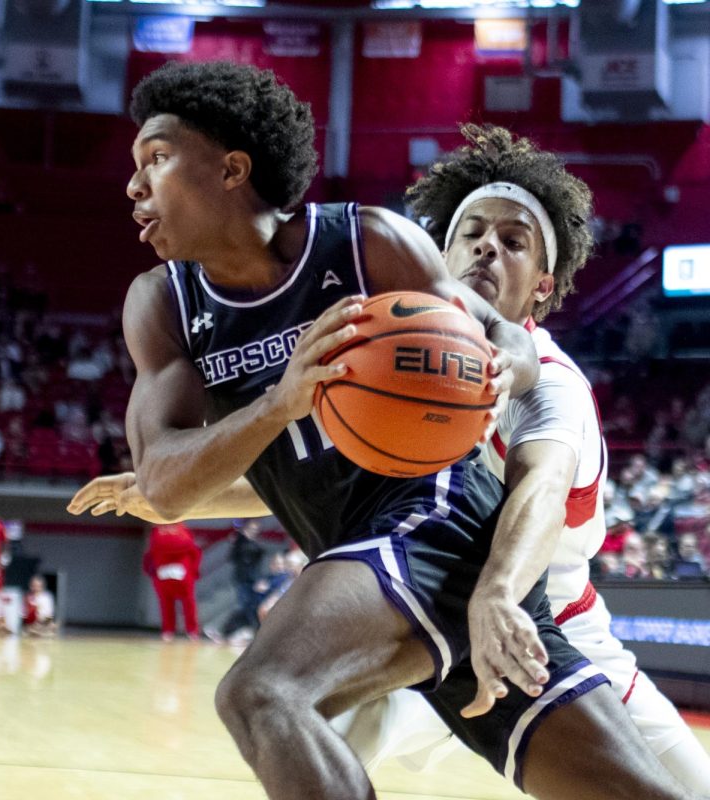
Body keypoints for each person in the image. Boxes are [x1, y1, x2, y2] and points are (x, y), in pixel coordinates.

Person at [70, 61, 699, 799]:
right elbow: (169, 482)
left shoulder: (364, 244)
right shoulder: (162, 304)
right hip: (401, 577)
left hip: (448, 536)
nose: (134, 185)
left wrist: (506, 365)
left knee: (264, 693)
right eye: (470, 233)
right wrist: (275, 405)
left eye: (156, 158)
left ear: (233, 168)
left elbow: (527, 421)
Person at [142, 522, 201, 641]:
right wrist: (195, 570)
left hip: (164, 572)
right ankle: (191, 631)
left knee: (166, 603)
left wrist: (147, 569)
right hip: (182, 572)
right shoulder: (182, 530)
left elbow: (149, 555)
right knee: (187, 603)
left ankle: (169, 631)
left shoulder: (157, 532)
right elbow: (195, 553)